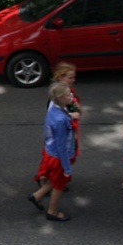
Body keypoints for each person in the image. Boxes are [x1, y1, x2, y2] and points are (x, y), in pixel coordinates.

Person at [26, 82, 74, 221]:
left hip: (49, 151)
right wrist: (67, 167)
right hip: (58, 157)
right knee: (59, 184)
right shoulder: (61, 119)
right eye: (67, 95)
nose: (70, 96)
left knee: (54, 179)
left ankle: (37, 196)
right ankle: (52, 211)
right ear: (60, 98)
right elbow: (61, 146)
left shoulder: (53, 109)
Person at [50, 62, 81, 161]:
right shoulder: (60, 95)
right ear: (60, 77)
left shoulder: (66, 92)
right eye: (70, 78)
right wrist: (73, 114)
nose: (73, 80)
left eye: (73, 77)